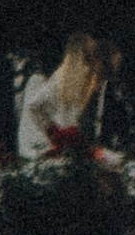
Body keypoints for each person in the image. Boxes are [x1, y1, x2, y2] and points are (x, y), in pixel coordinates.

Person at [17, 32, 106, 160]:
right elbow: (34, 107)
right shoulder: (61, 77)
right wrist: (54, 132)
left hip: (67, 147)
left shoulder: (84, 80)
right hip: (47, 149)